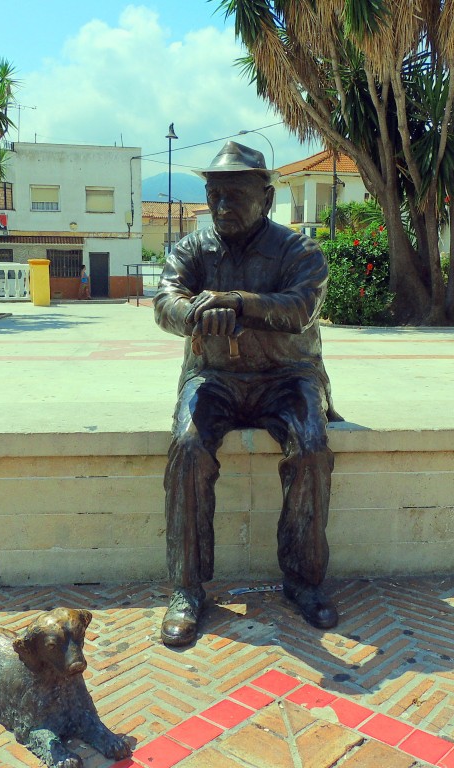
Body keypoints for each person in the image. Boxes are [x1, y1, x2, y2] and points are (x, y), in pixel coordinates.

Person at [153, 141, 339, 647]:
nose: (221, 206)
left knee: (311, 448)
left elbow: (301, 307)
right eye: (214, 195)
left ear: (267, 199)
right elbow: (165, 301)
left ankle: (303, 580)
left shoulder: (299, 251)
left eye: (234, 195)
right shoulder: (191, 249)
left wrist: (237, 302)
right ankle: (186, 589)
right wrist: (195, 312)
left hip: (286, 377)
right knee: (188, 447)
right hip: (214, 378)